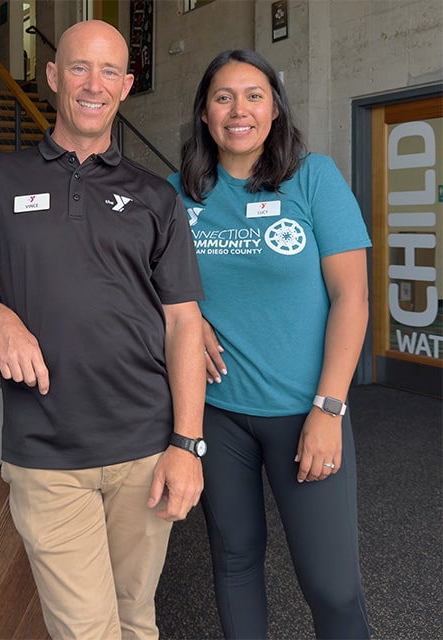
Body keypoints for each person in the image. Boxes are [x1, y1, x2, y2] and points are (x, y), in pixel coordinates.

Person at [0, 20, 206, 640]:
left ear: (126, 85)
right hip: (48, 452)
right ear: (54, 76)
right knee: (88, 631)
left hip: (146, 446)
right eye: (80, 68)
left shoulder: (154, 197)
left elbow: (183, 323)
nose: (94, 84)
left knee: (136, 619)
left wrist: (187, 444)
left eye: (110, 71)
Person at [167, 49, 371, 639]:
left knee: (331, 584)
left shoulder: (313, 178)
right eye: (223, 97)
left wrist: (329, 409)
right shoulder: (178, 193)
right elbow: (151, 286)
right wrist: (190, 319)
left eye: (254, 96)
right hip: (218, 411)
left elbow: (351, 298)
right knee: (234, 562)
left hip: (304, 410)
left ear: (275, 110)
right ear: (204, 114)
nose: (239, 110)